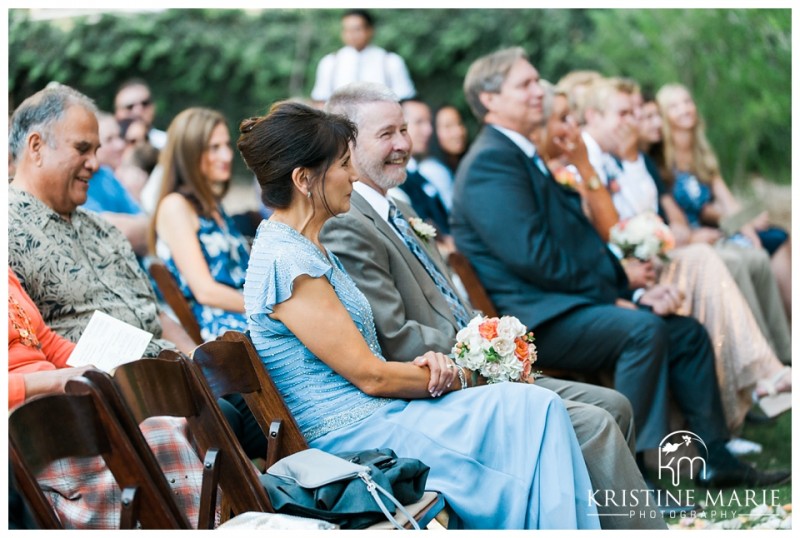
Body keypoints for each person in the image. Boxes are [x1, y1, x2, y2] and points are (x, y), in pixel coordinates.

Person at [238, 100, 599, 530]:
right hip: (352, 436)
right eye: (343, 165)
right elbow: (369, 376)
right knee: (530, 409)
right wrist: (462, 376)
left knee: (533, 407)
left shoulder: (301, 246)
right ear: (304, 179)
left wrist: (431, 365)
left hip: (377, 415)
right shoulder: (288, 263)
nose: (354, 176)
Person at [320, 81, 665, 530]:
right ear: (347, 144)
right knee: (596, 423)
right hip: (442, 383)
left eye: (404, 130)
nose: (404, 144)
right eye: (387, 134)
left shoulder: (398, 205)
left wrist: (494, 343)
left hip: (478, 362)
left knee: (615, 405)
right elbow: (395, 336)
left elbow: (446, 303)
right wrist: (482, 355)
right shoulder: (347, 225)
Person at [450, 47, 789, 489]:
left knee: (685, 332)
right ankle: (634, 478)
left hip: (567, 301)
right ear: (489, 99)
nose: (540, 91)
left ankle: (713, 457)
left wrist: (635, 294)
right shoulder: (491, 162)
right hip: (539, 317)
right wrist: (618, 297)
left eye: (537, 81)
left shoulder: (520, 154)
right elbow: (537, 259)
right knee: (643, 331)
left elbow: (576, 243)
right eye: (527, 83)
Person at [544, 79, 790, 431]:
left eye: (634, 112)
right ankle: (757, 380)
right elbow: (609, 230)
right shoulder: (580, 163)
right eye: (623, 113)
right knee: (704, 263)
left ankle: (759, 377)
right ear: (594, 117)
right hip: (615, 279)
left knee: (709, 262)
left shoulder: (614, 157)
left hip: (642, 262)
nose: (632, 121)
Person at [8, 266, 205, 528]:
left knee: (174, 416)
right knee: (156, 432)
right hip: (25, 425)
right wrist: (53, 380)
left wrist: (103, 365)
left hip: (61, 405)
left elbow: (45, 340)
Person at [8, 85, 196, 358]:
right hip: (105, 392)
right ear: (36, 147)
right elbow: (26, 353)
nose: (94, 163)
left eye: (96, 150)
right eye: (82, 149)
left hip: (176, 374)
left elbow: (151, 313)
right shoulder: (10, 229)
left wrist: (201, 362)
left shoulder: (103, 229)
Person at [656, 82, 792, 322]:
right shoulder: (662, 161)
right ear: (664, 115)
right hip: (696, 234)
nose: (685, 109)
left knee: (771, 239)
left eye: (687, 102)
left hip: (719, 228)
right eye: (675, 106)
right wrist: (733, 222)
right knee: (758, 248)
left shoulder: (702, 153)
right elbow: (701, 212)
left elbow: (727, 200)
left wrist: (749, 228)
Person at [151, 107, 250, 341]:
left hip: (246, 313)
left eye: (226, 145)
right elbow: (205, 291)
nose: (226, 156)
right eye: (214, 148)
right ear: (189, 153)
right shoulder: (175, 206)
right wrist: (272, 310)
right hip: (224, 329)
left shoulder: (212, 206)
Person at [310, 9, 416, 104]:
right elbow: (320, 100)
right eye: (347, 30)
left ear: (370, 30)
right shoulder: (330, 62)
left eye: (356, 29)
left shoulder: (391, 61)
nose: (351, 34)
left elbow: (406, 99)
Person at [83, 111, 149, 257]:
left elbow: (148, 227)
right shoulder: (81, 181)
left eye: (119, 136)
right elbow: (113, 231)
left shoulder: (106, 174)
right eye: (109, 139)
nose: (120, 145)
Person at [390, 97, 452, 240]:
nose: (428, 130)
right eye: (419, 122)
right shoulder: (395, 180)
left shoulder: (419, 174)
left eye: (429, 122)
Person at [418, 104, 469, 211]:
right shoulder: (431, 169)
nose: (458, 132)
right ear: (432, 132)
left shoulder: (461, 162)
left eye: (459, 123)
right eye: (448, 126)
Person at [114, 78, 167, 150]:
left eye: (145, 103)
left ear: (153, 107)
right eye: (130, 107)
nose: (138, 111)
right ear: (117, 113)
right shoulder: (109, 150)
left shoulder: (168, 144)